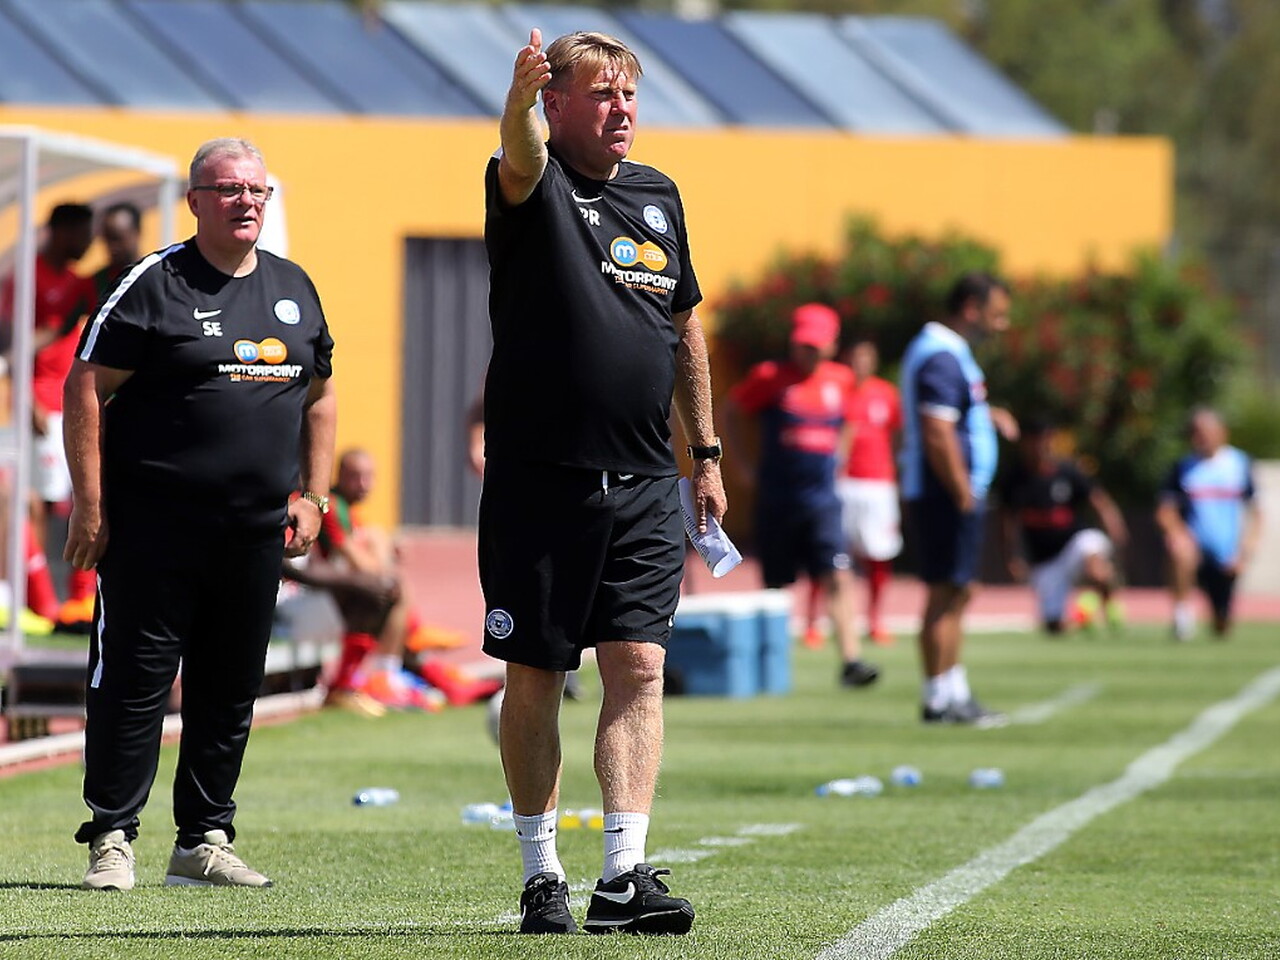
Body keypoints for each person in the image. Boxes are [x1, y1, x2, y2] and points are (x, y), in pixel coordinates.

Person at [481, 29, 726, 935]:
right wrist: (517, 99)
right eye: (601, 94)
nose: (621, 109)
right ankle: (540, 873)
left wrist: (705, 455)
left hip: (647, 482)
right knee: (537, 672)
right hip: (542, 480)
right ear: (557, 105)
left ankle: (622, 876)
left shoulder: (660, 195)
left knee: (640, 666)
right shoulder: (532, 180)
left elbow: (685, 328)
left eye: (629, 94)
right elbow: (519, 151)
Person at [63, 137, 336, 891]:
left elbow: (320, 396)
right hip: (153, 529)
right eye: (228, 189)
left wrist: (314, 496)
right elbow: (85, 385)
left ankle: (203, 841)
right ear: (195, 201)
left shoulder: (294, 286)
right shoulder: (153, 282)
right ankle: (111, 837)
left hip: (253, 533)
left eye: (256, 190)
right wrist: (90, 505)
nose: (245, 201)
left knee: (229, 686)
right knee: (133, 682)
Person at [724, 304, 881, 688]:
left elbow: (849, 420)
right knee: (776, 586)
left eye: (816, 345)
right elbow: (731, 411)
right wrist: (741, 465)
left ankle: (851, 661)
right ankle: (771, 666)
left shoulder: (841, 379)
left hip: (823, 501)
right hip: (778, 498)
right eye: (803, 344)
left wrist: (841, 457)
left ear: (832, 345)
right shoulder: (769, 377)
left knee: (838, 575)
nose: (807, 352)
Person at [899, 272, 1013, 725]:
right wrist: (963, 490)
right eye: (996, 314)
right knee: (946, 592)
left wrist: (989, 415)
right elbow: (936, 430)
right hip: (943, 493)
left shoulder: (949, 353)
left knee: (959, 590)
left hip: (950, 492)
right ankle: (939, 698)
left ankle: (952, 692)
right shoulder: (941, 355)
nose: (1001, 324)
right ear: (971, 308)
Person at [0, 203, 97, 617]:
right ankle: (31, 601)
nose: (88, 242)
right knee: (33, 501)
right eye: (83, 234)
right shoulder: (26, 277)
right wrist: (26, 399)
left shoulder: (79, 283)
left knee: (78, 497)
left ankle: (77, 598)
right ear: (60, 231)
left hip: (70, 404)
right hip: (39, 406)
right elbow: (11, 344)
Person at [56, 202, 147, 630]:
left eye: (118, 238)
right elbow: (61, 327)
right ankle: (80, 598)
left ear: (137, 234)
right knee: (86, 499)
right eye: (106, 237)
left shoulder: (155, 278)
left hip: (144, 411)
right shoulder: (94, 282)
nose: (111, 246)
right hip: (101, 408)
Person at [998, 418, 1128, 634]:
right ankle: (1084, 613)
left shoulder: (1068, 471)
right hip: (1045, 560)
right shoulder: (1014, 478)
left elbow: (1100, 503)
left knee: (1097, 568)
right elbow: (1006, 521)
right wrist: (1011, 557)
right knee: (1054, 627)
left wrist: (1116, 532)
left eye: (1044, 439)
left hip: (1075, 544)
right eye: (1034, 440)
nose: (1040, 445)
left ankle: (1109, 604)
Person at [1155, 408, 1261, 640]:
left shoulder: (1239, 464)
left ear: (1222, 432)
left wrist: (1244, 552)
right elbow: (1165, 511)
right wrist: (1178, 534)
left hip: (1227, 555)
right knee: (1179, 552)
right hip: (1195, 550)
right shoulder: (1182, 467)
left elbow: (1257, 514)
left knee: (1221, 627)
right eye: (1195, 432)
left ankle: (1219, 612)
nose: (1200, 438)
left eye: (1205, 432)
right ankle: (1182, 615)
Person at [837, 338, 903, 645]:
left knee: (879, 553)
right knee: (835, 554)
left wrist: (893, 469)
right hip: (844, 482)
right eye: (855, 357)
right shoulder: (837, 390)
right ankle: (816, 622)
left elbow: (898, 434)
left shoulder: (886, 394)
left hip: (878, 484)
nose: (860, 363)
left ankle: (875, 620)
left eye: (866, 358)